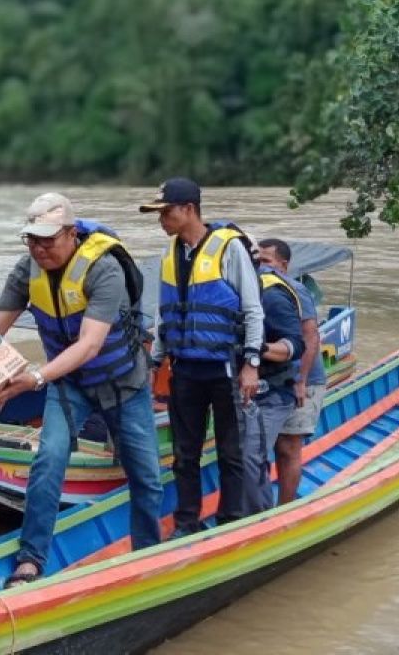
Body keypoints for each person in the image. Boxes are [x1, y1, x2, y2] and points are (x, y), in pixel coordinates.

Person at [0, 192, 163, 587]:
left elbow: (89, 345)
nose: (39, 248)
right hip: (70, 386)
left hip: (123, 385)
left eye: (48, 239)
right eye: (32, 239)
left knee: (146, 477)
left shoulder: (105, 269)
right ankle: (31, 559)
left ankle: (148, 555)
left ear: (71, 234)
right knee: (48, 462)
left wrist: (33, 378)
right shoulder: (26, 270)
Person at [139, 177, 264, 536]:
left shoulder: (229, 249)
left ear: (188, 209)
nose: (161, 220)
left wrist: (251, 365)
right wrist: (155, 362)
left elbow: (253, 310)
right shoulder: (170, 255)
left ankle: (231, 522)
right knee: (185, 453)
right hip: (185, 369)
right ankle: (186, 523)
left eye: (165, 212)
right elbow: (166, 315)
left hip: (224, 366)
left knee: (231, 451)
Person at [258, 238, 327, 504]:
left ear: (283, 265)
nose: (261, 267)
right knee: (261, 448)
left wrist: (301, 380)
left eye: (267, 261)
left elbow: (310, 337)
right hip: (272, 380)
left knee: (288, 447)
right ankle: (260, 506)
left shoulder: (295, 290)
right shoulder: (256, 288)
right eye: (258, 261)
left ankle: (285, 507)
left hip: (303, 379)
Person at [238, 258, 306, 515]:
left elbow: (299, 343)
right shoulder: (224, 292)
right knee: (241, 457)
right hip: (237, 393)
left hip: (272, 392)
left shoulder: (273, 297)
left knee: (253, 456)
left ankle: (261, 520)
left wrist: (255, 348)